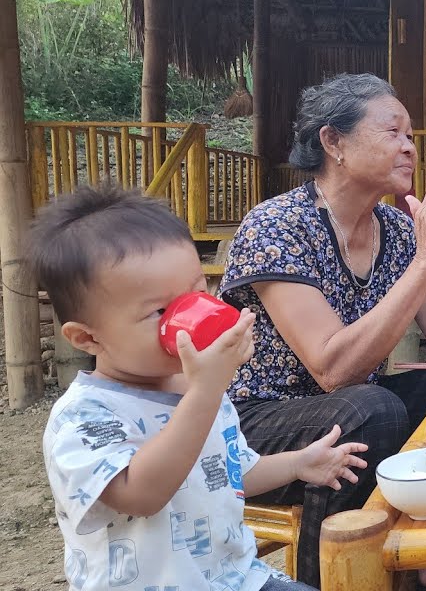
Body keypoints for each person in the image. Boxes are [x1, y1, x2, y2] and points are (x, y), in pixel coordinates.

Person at [218, 74, 426, 589]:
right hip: (257, 421)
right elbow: (332, 370)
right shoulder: (276, 227)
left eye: (411, 136)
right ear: (333, 141)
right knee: (371, 408)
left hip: (353, 404)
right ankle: (341, 577)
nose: (410, 147)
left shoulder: (398, 229)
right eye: (394, 132)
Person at [35, 186, 367, 591]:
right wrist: (205, 392)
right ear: (88, 339)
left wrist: (298, 464)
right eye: (161, 311)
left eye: (197, 292)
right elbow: (141, 494)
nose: (196, 313)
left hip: (238, 579)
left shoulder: (198, 386)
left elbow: (230, 471)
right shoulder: (85, 416)